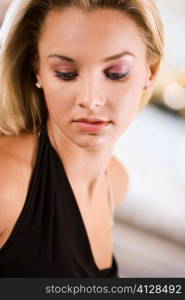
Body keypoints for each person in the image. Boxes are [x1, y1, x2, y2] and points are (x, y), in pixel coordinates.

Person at [0, 0, 164, 277]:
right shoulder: (7, 182)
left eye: (116, 74)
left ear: (151, 72)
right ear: (37, 70)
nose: (90, 100)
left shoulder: (116, 180)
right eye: (66, 74)